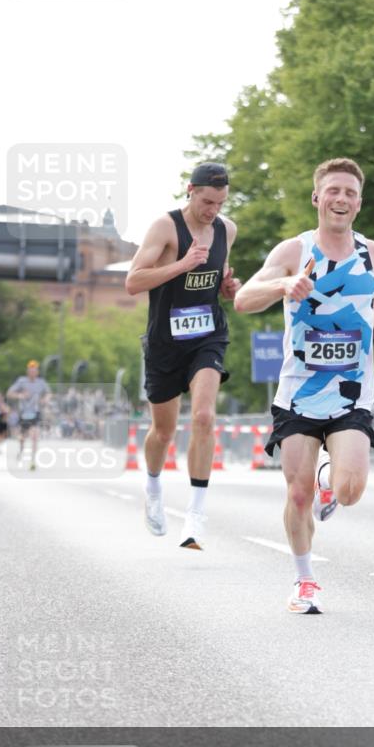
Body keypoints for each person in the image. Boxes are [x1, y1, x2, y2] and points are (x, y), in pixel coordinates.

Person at [234, 157, 374, 613]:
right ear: (317, 198)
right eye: (333, 191)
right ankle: (304, 581)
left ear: (359, 203)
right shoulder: (294, 250)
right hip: (298, 393)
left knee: (350, 491)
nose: (341, 199)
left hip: (350, 391)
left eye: (350, 192)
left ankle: (332, 481)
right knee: (296, 492)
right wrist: (284, 285)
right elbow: (243, 298)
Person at [126, 162, 241, 549]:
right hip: (164, 342)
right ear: (190, 190)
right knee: (163, 431)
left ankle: (195, 516)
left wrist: (228, 287)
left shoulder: (227, 229)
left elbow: (217, 279)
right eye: (208, 201)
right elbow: (133, 281)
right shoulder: (165, 227)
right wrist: (182, 265)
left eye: (221, 203)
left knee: (205, 416)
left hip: (208, 335)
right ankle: (154, 488)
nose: (213, 210)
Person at [7, 360, 51, 470]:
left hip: (35, 412)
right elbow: (9, 393)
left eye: (34, 370)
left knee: (34, 436)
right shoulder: (21, 381)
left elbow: (49, 393)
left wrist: (45, 399)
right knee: (22, 437)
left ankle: (32, 460)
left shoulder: (41, 382)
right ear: (27, 371)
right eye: (30, 370)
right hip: (23, 413)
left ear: (37, 372)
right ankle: (21, 450)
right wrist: (20, 395)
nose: (32, 372)